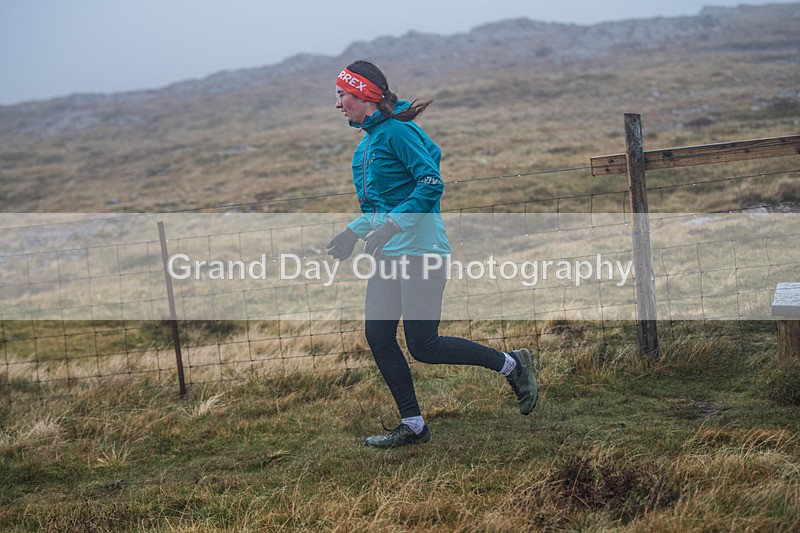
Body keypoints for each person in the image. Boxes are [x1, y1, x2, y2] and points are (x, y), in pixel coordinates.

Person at [327, 60, 537, 449]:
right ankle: (414, 425)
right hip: (390, 253)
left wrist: (394, 225)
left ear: (365, 96)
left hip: (422, 251)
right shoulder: (366, 145)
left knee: (425, 346)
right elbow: (379, 206)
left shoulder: (396, 133)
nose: (338, 104)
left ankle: (513, 364)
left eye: (342, 95)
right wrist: (353, 232)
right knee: (377, 335)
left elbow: (430, 183)